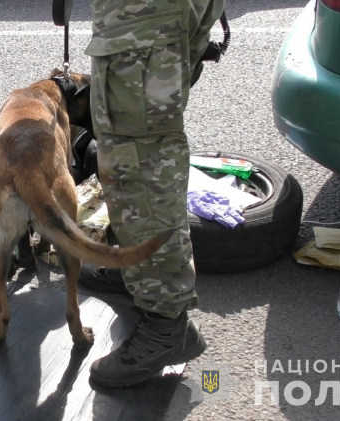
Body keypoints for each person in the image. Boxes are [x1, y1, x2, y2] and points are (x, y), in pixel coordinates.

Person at [82, 0, 226, 387]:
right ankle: (139, 272)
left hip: (146, 15)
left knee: (139, 168)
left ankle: (166, 329)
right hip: (148, 18)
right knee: (134, 154)